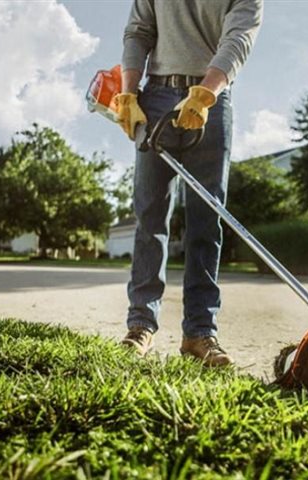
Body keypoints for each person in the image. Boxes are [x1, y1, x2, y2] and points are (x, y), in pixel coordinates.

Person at [115, 0, 263, 366]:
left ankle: (200, 333)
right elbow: (139, 31)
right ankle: (141, 326)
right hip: (155, 98)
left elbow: (238, 38)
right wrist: (129, 92)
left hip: (211, 99)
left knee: (206, 221)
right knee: (149, 217)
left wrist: (205, 93)